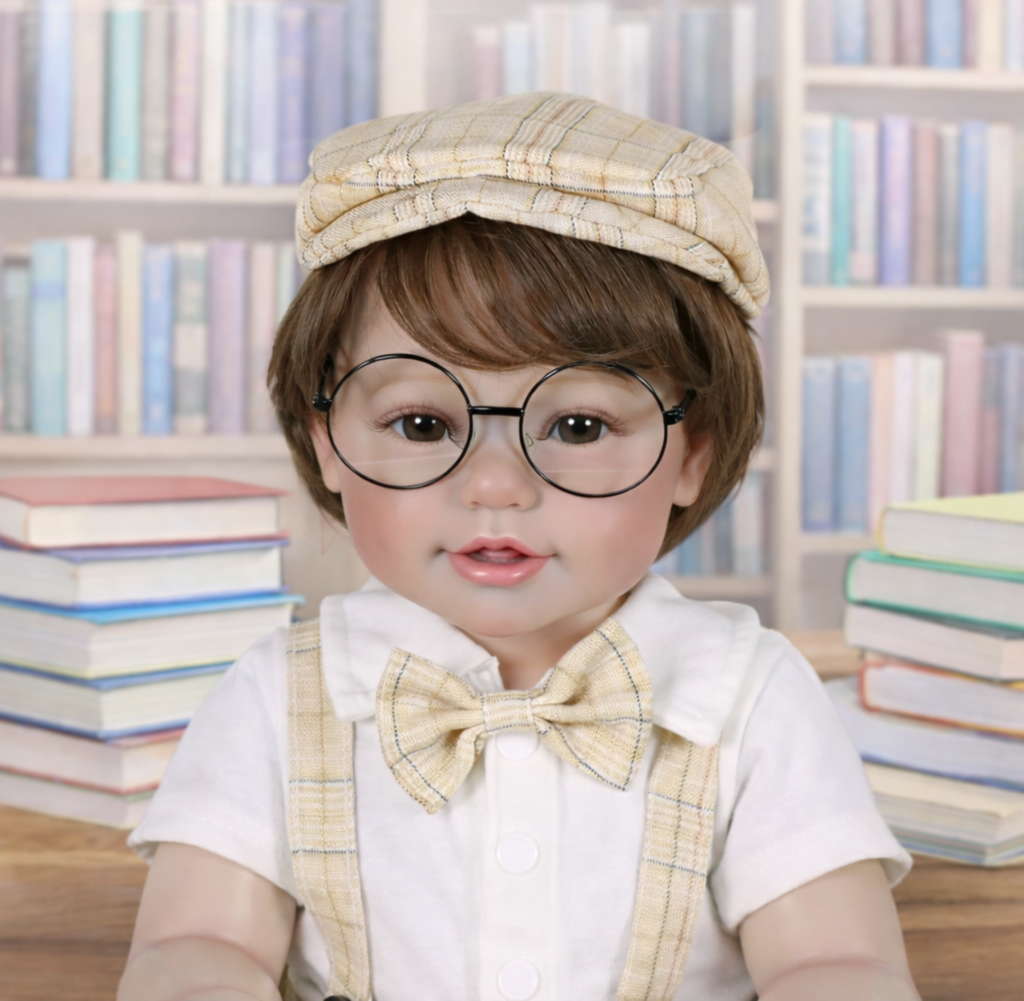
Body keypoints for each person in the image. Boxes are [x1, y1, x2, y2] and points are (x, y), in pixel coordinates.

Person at [118, 92, 920, 1001]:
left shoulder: (747, 697)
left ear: (691, 453)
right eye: (422, 421)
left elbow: (836, 961)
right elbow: (195, 944)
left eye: (577, 424)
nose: (496, 483)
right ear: (327, 444)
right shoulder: (279, 697)